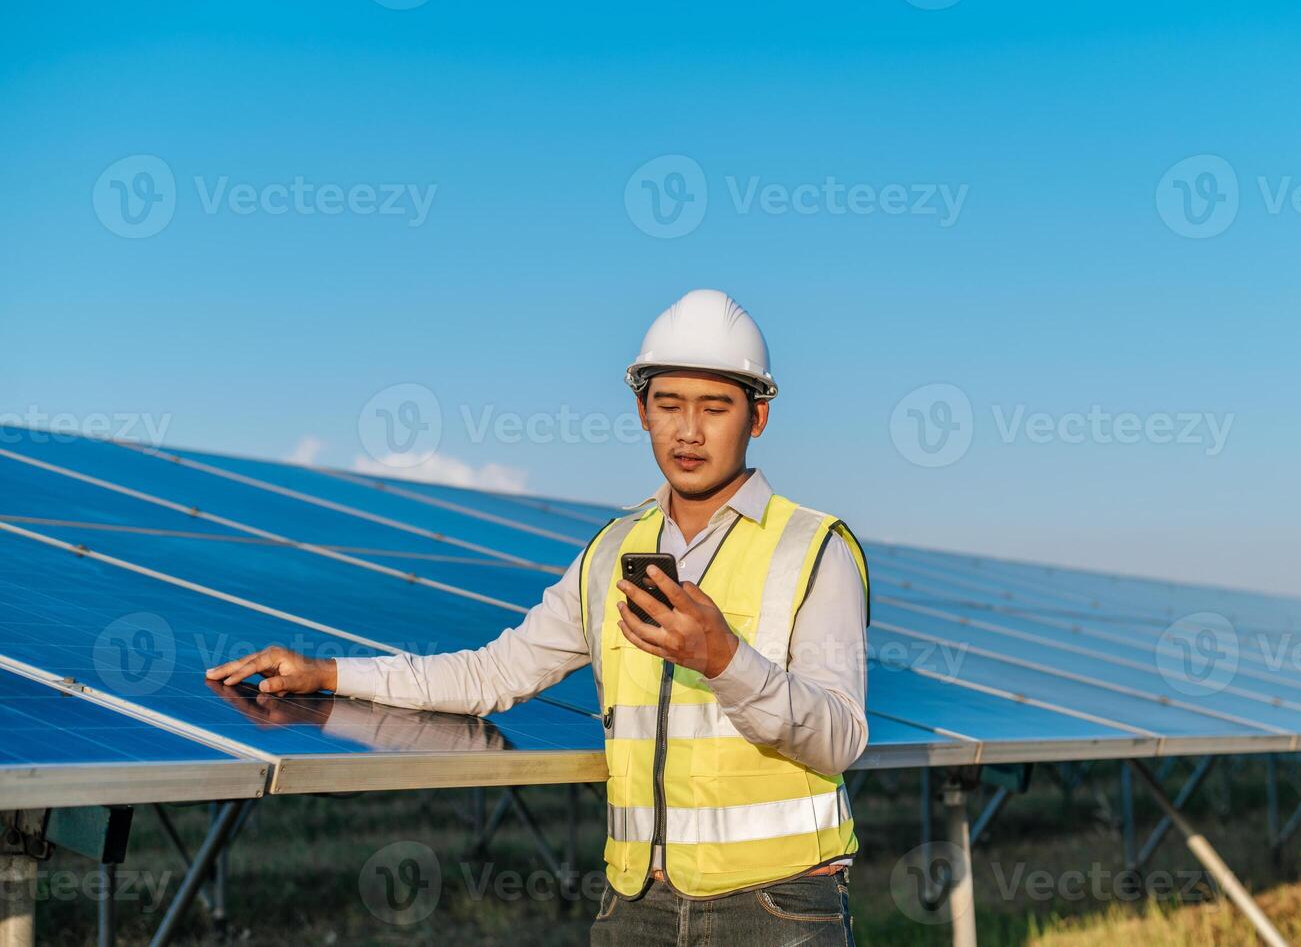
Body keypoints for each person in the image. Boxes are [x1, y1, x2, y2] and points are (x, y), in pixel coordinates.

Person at [206, 288, 870, 945]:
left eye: (715, 407)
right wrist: (325, 671)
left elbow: (839, 739)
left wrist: (724, 661)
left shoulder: (812, 548)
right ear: (642, 411)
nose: (687, 431)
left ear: (756, 418)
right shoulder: (611, 552)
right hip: (634, 904)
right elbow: (489, 676)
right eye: (668, 405)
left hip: (778, 906)